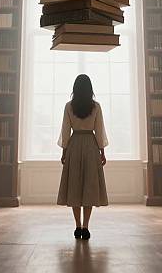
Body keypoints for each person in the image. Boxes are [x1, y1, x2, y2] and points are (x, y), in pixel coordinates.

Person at [57, 74, 109, 240]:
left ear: (75, 89)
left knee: (74, 185)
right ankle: (86, 226)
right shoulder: (96, 107)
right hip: (91, 146)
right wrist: (102, 151)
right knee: (89, 186)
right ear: (90, 89)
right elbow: (99, 130)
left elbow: (66, 131)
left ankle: (77, 226)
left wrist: (64, 151)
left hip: (74, 144)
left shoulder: (69, 107)